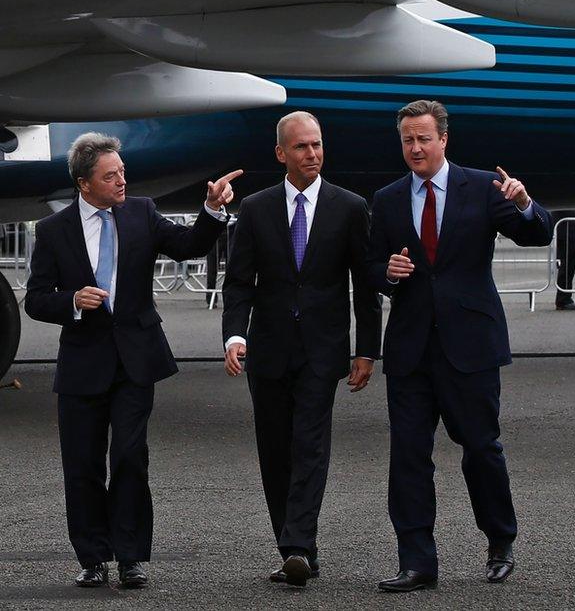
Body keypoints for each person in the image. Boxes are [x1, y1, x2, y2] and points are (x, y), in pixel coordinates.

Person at [24, 133, 236, 588]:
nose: (122, 180)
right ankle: (92, 558)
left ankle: (130, 557)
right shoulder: (53, 231)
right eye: (111, 175)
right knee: (82, 466)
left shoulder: (141, 211)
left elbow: (189, 245)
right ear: (84, 184)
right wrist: (73, 301)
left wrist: (213, 211)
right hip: (82, 363)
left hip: (136, 359)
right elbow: (37, 300)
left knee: (129, 457)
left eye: (122, 171)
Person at [367, 100, 552, 592]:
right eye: (408, 139)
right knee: (408, 455)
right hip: (410, 349)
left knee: (481, 447)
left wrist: (523, 203)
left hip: (470, 344)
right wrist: (385, 272)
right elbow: (368, 266)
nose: (415, 148)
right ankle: (416, 561)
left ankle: (500, 541)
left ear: (443, 139)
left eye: (424, 138)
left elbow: (537, 232)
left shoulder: (481, 187)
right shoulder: (386, 199)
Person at [221, 111, 382, 587]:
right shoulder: (255, 208)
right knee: (275, 452)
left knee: (309, 445)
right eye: (301, 147)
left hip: (321, 349)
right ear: (281, 154)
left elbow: (364, 285)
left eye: (317, 145)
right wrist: (234, 335)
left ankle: (296, 546)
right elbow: (238, 283)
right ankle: (295, 548)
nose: (312, 154)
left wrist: (367, 349)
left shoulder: (349, 206)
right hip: (267, 350)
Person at [552, 208, 575, 310]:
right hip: (566, 231)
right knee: (566, 266)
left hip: (570, 230)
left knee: (569, 267)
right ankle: (563, 299)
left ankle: (565, 297)